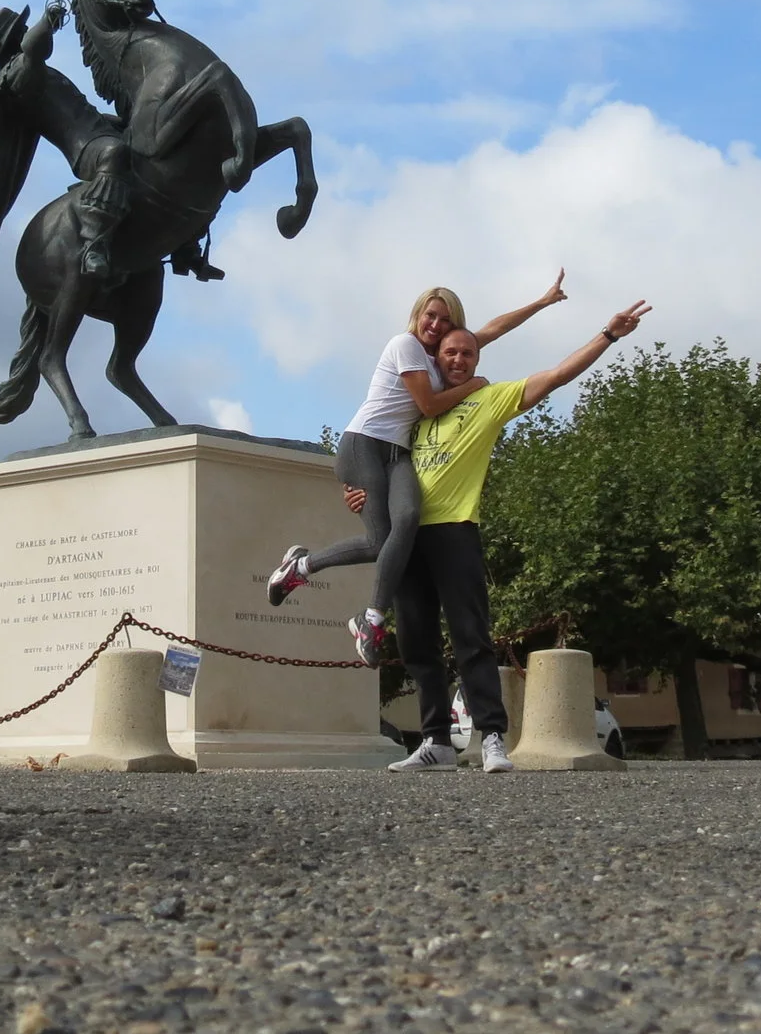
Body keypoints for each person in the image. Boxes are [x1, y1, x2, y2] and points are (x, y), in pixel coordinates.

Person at [367, 298, 652, 773]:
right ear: (436, 358)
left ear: (478, 359)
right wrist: (359, 491)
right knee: (415, 641)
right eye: (451, 353)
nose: (459, 360)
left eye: (468, 354)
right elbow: (379, 455)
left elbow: (556, 375)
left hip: (455, 528)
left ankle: (493, 737)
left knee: (470, 636)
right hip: (407, 534)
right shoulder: (418, 407)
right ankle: (436, 741)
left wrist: (608, 334)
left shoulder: (490, 398)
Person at [265, 276, 568, 668]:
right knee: (380, 541)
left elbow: (493, 329)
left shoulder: (441, 355)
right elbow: (428, 405)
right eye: (431, 315)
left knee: (409, 517)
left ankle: (353, 606)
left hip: (398, 455)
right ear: (418, 315)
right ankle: (331, 589)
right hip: (364, 445)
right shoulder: (405, 345)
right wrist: (475, 384)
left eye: (446, 320)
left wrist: (541, 302)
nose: (437, 325)